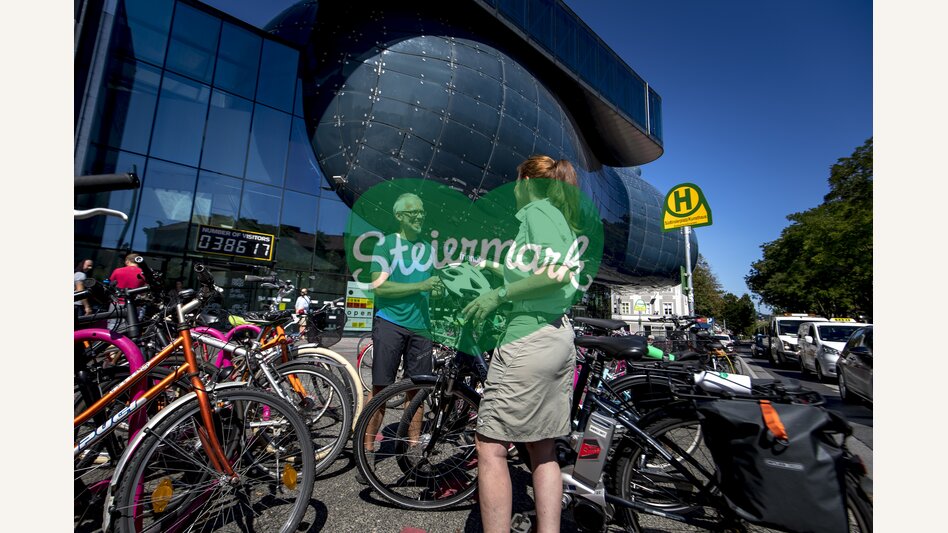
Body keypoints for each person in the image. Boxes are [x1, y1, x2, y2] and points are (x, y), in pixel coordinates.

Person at [462, 155, 582, 533]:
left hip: (529, 339)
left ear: (528, 181)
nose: (514, 189)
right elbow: (544, 268)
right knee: (541, 448)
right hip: (555, 336)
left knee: (491, 447)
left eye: (516, 182)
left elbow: (553, 273)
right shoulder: (557, 217)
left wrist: (498, 295)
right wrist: (491, 265)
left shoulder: (538, 211)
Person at [358, 192, 442, 483]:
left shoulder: (428, 250)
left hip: (421, 327)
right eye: (413, 212)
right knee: (381, 388)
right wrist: (421, 284)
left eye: (421, 212)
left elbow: (430, 286)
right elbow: (379, 288)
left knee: (418, 390)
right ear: (399, 216)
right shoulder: (386, 245)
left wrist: (437, 289)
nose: (419, 216)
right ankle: (367, 452)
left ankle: (413, 450)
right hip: (390, 323)